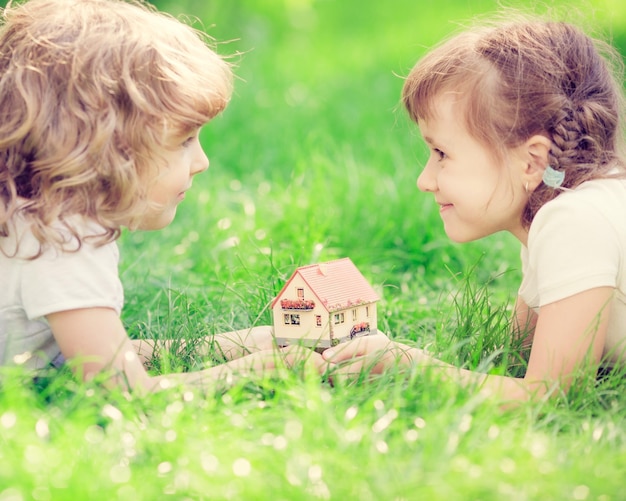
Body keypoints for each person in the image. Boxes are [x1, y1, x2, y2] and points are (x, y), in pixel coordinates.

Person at [0, 0, 319, 392]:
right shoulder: (63, 242)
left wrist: (224, 346)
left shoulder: (37, 216)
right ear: (110, 148)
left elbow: (77, 355)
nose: (201, 161)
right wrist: (255, 370)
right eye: (184, 140)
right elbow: (121, 392)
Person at [322, 16, 626, 402]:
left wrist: (410, 366)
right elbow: (515, 354)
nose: (425, 180)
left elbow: (550, 395)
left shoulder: (574, 222)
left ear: (532, 163)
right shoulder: (561, 215)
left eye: (441, 154)